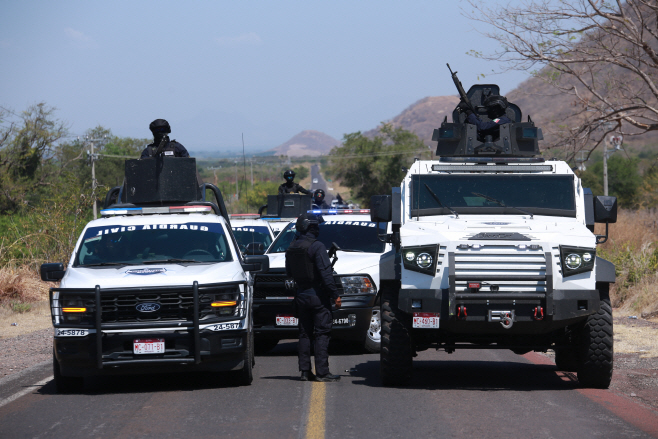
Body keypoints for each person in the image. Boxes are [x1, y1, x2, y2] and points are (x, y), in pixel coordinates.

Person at [285, 212, 342, 382]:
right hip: (317, 296)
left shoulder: (292, 247)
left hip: (301, 296)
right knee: (322, 333)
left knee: (304, 334)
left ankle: (305, 371)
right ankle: (322, 372)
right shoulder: (317, 246)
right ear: (311, 227)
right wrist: (335, 295)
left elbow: (289, 273)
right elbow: (326, 275)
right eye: (316, 226)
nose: (318, 229)